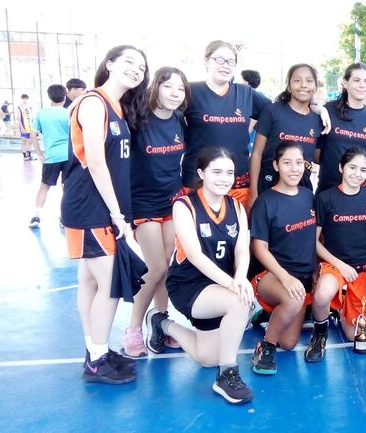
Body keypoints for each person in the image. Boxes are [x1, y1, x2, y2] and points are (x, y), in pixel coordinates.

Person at [61, 45, 149, 384]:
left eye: (141, 67)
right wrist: (117, 214)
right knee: (111, 283)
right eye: (129, 61)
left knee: (90, 281)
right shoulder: (94, 102)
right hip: (90, 208)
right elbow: (96, 161)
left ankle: (95, 350)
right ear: (109, 63)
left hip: (99, 208)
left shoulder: (118, 109)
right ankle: (97, 360)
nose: (136, 69)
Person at [146, 146, 254, 404]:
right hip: (189, 285)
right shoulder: (185, 206)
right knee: (240, 302)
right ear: (201, 173)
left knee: (206, 358)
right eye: (216, 171)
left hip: (220, 286)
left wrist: (240, 276)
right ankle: (227, 375)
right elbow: (194, 255)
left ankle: (161, 323)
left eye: (229, 172)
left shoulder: (236, 206)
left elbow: (242, 248)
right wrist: (233, 285)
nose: (224, 178)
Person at [120, 67, 190, 357]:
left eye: (180, 89)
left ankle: (160, 324)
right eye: (168, 87)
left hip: (171, 201)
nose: (174, 93)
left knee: (167, 267)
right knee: (156, 267)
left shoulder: (179, 120)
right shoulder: (137, 120)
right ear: (155, 88)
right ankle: (133, 329)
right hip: (143, 203)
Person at [249, 141, 317, 374]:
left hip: (301, 279)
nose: (294, 168)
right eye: (287, 163)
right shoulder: (265, 201)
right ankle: (265, 347)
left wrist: (316, 270)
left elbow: (312, 241)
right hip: (270, 275)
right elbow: (259, 248)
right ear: (276, 166)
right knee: (293, 300)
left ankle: (272, 313)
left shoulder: (308, 196)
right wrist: (285, 278)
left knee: (288, 343)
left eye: (299, 163)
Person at [183, 40, 272, 208]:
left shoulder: (246, 94)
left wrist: (316, 108)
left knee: (236, 233)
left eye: (231, 62)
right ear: (206, 60)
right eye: (219, 60)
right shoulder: (190, 91)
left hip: (237, 183)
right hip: (198, 181)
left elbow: (279, 110)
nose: (225, 65)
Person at [314, 148, 366, 356]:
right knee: (322, 295)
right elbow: (314, 242)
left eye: (363, 170)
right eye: (352, 167)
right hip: (336, 264)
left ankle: (343, 312)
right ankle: (320, 331)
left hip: (364, 267)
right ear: (341, 167)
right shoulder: (325, 198)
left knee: (354, 336)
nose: (356, 174)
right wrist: (341, 265)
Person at [250, 63, 322, 200]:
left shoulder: (318, 119)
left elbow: (317, 156)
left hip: (301, 187)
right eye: (297, 80)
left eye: (309, 81)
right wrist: (253, 193)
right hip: (268, 183)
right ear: (289, 86)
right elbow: (256, 153)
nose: (303, 85)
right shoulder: (273, 111)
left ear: (315, 86)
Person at [315, 63, 366, 193]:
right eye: (356, 80)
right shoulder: (329, 110)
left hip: (356, 190)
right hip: (329, 187)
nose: (362, 85)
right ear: (345, 83)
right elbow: (316, 151)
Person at [28, 84, 70, 228]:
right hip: (69, 156)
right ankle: (64, 218)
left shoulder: (41, 113)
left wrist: (39, 154)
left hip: (51, 157)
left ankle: (35, 216)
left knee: (44, 187)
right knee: (66, 188)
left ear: (49, 96)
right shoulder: (68, 113)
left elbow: (33, 134)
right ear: (65, 96)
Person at [18, 94, 37, 161]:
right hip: (24, 127)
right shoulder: (19, 107)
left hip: (30, 127)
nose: (25, 100)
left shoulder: (29, 107)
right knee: (24, 141)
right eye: (23, 98)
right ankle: (24, 156)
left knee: (30, 141)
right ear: (21, 99)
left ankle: (29, 155)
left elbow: (32, 118)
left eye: (26, 98)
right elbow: (19, 119)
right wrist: (21, 128)